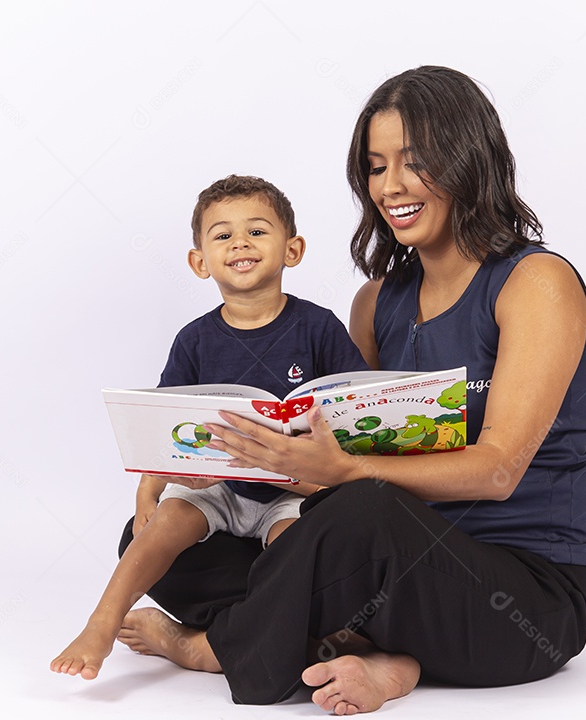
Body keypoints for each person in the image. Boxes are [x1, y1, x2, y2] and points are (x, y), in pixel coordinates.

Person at [112, 66, 586, 715]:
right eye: (374, 167)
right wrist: (245, 462)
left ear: (469, 159)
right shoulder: (375, 303)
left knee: (363, 509)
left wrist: (340, 470)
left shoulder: (536, 283)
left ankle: (219, 647)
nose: (390, 186)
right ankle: (383, 655)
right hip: (388, 570)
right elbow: (325, 454)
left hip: (520, 599)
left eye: (415, 161)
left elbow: (501, 468)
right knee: (156, 535)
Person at [50, 174, 369, 679]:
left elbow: (352, 408)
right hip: (215, 482)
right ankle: (101, 621)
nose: (240, 243)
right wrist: (147, 494)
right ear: (200, 261)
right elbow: (163, 428)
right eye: (222, 235)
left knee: (296, 552)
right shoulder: (195, 340)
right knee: (163, 525)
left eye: (257, 231)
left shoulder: (318, 326)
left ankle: (230, 640)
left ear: (293, 249)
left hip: (292, 489)